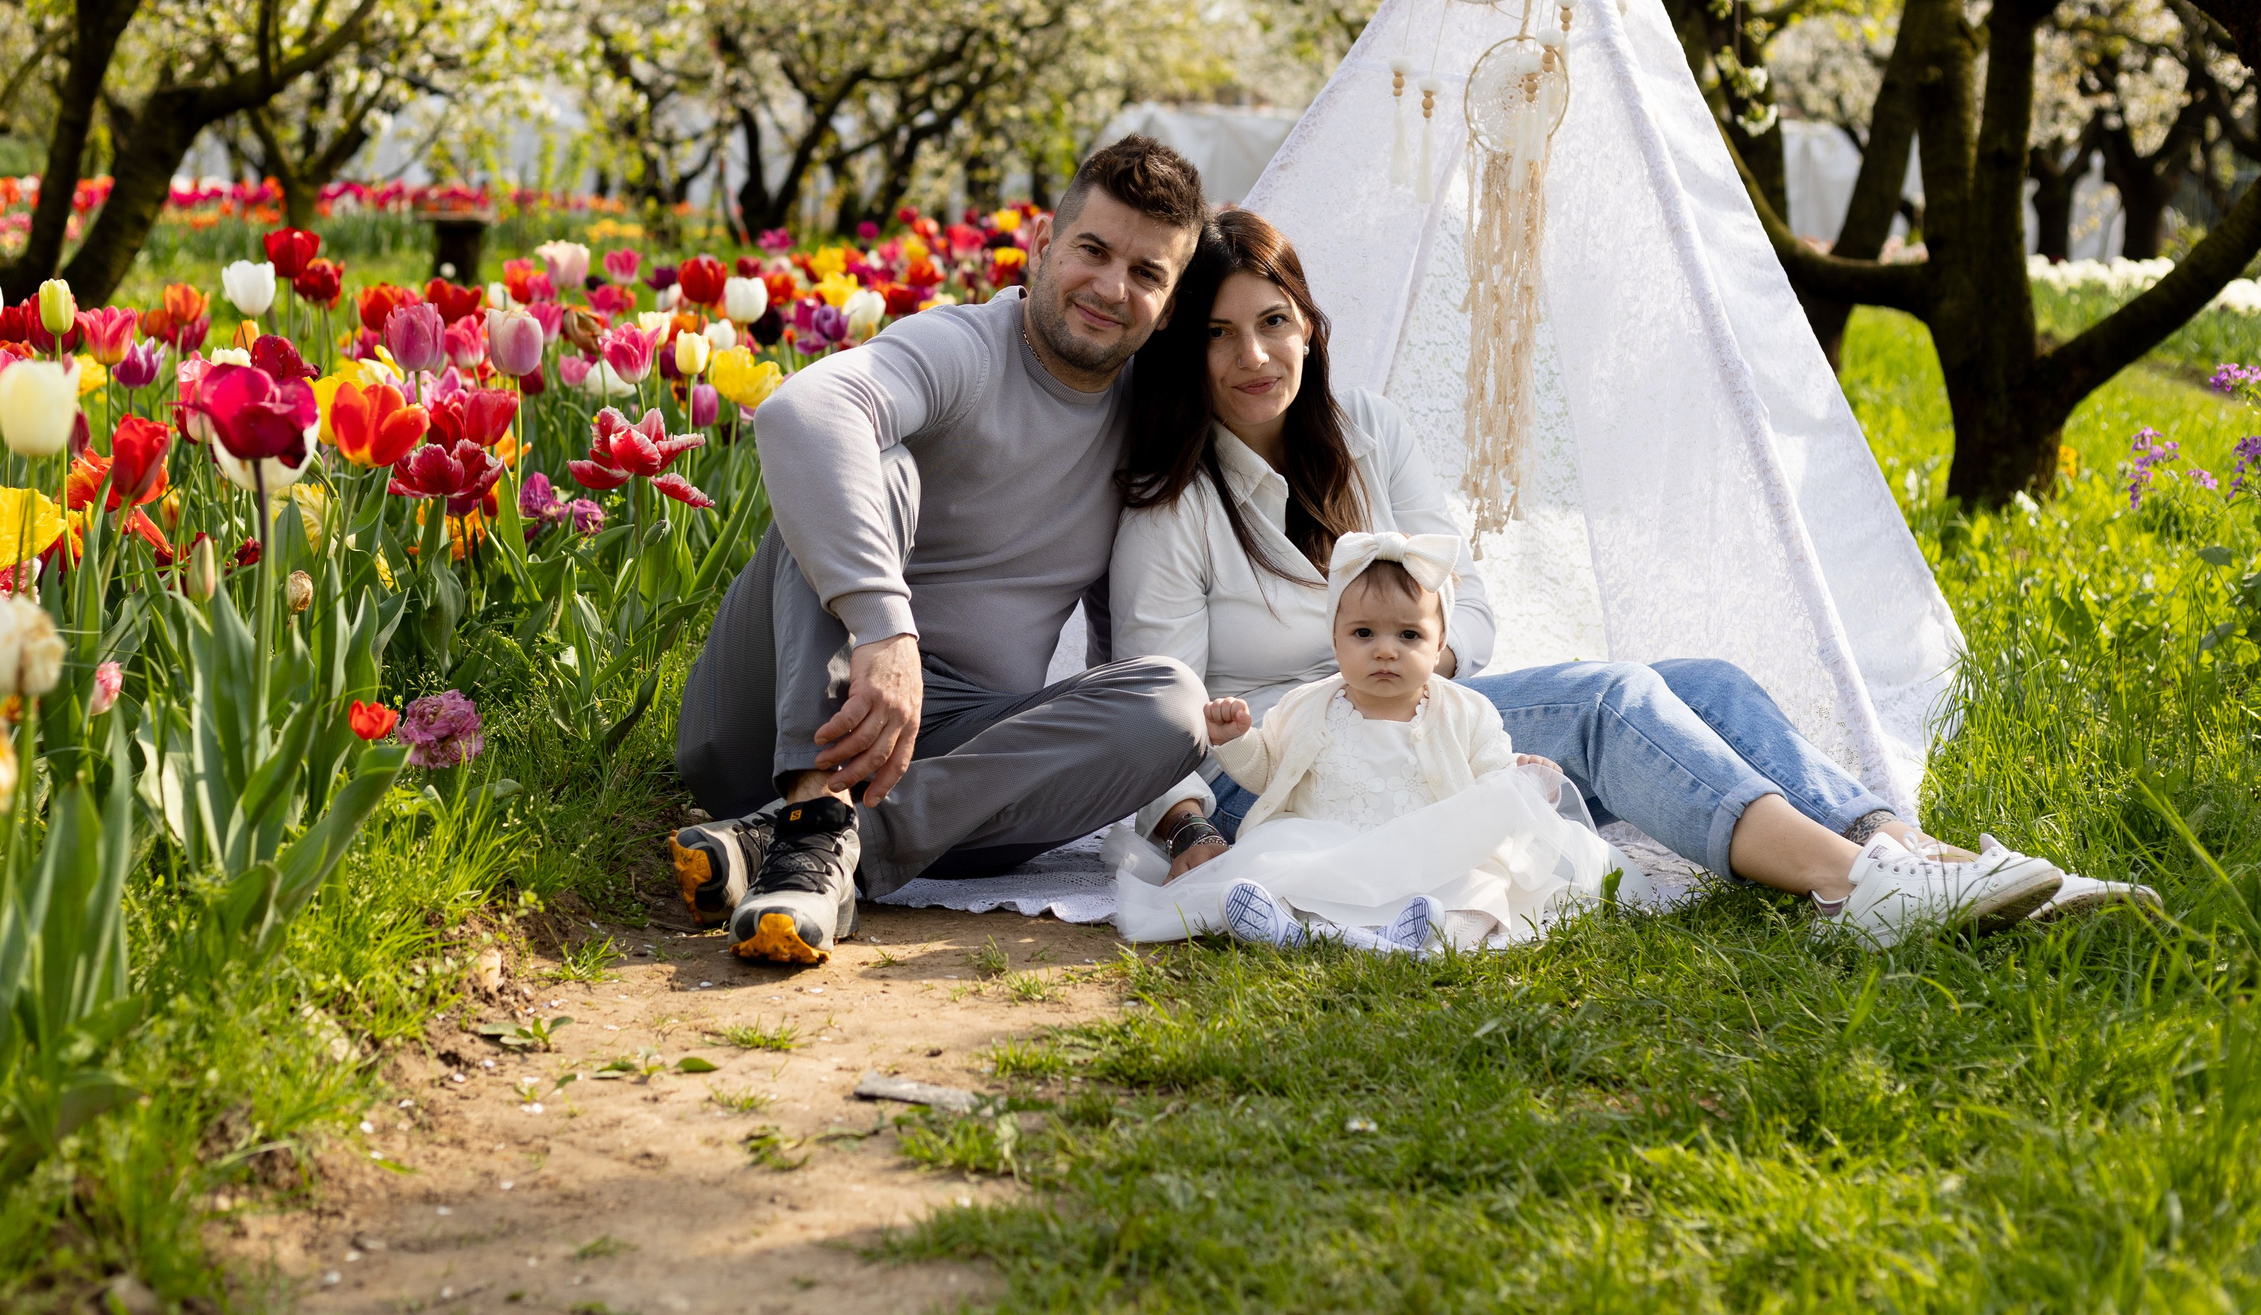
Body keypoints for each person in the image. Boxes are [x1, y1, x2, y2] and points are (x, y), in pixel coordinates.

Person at [1109, 207, 2145, 948]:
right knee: (1608, 702)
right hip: (1287, 774)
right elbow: (1153, 711)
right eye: (1216, 333)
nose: (1253, 355)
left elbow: (1464, 597)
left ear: (1308, 324)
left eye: (1273, 320)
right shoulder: (1173, 502)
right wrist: (1193, 829)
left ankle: (1916, 853)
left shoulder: (1364, 429)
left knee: (1709, 682)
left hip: (1414, 713)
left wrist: (1414, 665)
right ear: (1184, 354)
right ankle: (1856, 889)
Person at [671, 137, 1214, 966]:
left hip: (955, 778)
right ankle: (807, 807)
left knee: (1174, 702)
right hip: (786, 706)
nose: (1111, 288)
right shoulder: (966, 348)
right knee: (872, 465)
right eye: (1093, 250)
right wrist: (887, 631)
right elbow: (801, 413)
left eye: (1147, 274)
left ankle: (817, 846)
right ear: (1041, 244)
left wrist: (1179, 811)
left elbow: (1124, 651)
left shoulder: (1148, 431)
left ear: (1169, 305)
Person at [1120, 529, 1633, 955]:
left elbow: (1489, 780)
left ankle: (1426, 937)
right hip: (1329, 840)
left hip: (1431, 856)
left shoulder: (1466, 711)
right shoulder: (1307, 706)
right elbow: (1267, 772)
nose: (1385, 651)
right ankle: (1297, 930)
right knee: (1278, 867)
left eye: (1408, 636)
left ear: (1438, 647)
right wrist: (1236, 742)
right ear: (1336, 638)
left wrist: (1522, 781)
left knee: (1482, 889)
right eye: (1364, 634)